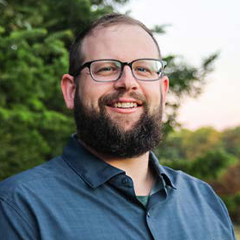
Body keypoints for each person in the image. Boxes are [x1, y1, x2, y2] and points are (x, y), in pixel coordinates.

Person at [0, 13, 236, 240]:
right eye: (106, 68)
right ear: (71, 91)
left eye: (143, 68)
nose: (128, 83)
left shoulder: (206, 202)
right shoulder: (16, 207)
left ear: (163, 91)